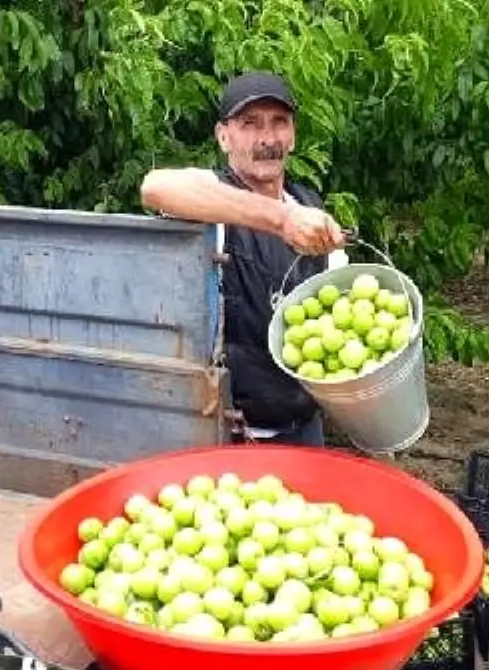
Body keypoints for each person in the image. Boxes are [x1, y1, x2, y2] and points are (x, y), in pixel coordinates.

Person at [140, 71, 347, 446]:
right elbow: (155, 188)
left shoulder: (308, 206)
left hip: (304, 428)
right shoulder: (215, 198)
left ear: (293, 135)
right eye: (249, 124)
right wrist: (280, 220)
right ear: (223, 137)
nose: (267, 139)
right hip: (234, 438)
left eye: (278, 123)